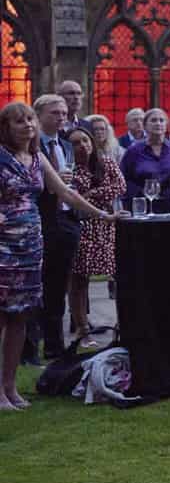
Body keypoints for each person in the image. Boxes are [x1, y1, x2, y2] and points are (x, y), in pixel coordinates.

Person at [0, 103, 115, 408]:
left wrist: (102, 215)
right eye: (18, 121)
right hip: (3, 245)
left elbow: (66, 193)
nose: (26, 125)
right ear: (6, 127)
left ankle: (9, 388)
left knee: (20, 315)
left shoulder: (37, 158)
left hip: (31, 243)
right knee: (2, 314)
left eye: (29, 120)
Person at [28, 94, 83, 361]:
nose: (61, 117)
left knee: (58, 288)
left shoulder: (66, 145)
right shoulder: (29, 147)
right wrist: (51, 181)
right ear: (38, 116)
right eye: (54, 113)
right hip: (37, 222)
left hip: (65, 222)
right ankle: (28, 349)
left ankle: (54, 346)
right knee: (32, 288)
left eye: (63, 113)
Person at [63, 125, 124, 343]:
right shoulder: (68, 167)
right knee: (79, 279)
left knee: (116, 276)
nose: (82, 146)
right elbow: (67, 195)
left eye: (85, 141)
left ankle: (121, 325)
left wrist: (89, 194)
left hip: (106, 226)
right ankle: (82, 329)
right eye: (76, 143)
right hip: (81, 225)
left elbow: (119, 186)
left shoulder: (106, 162)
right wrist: (91, 198)